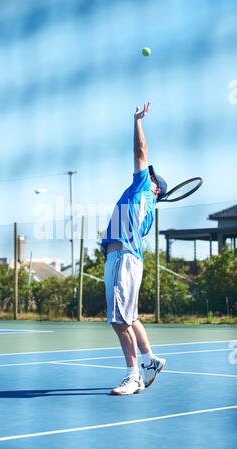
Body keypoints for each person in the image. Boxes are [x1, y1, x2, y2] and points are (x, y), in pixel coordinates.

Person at [102, 102, 167, 395]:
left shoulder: (142, 188)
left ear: (154, 187)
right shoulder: (147, 203)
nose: (145, 172)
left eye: (150, 175)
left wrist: (137, 121)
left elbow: (140, 152)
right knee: (131, 317)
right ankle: (150, 360)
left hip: (123, 259)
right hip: (126, 259)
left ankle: (134, 376)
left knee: (118, 321)